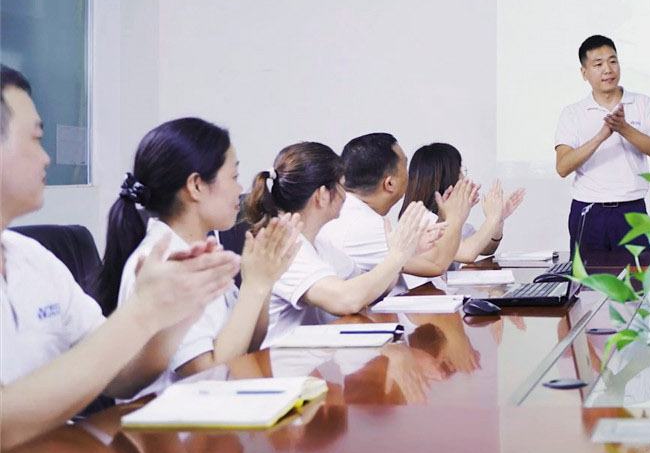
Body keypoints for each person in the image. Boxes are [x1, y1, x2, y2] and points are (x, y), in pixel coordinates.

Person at [0, 65, 239, 449]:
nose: (46, 158)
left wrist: (172, 317)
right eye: (35, 138)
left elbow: (119, 377)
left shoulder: (33, 259)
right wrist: (141, 312)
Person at [98, 118, 302, 397]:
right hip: (178, 418)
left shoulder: (201, 249)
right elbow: (210, 373)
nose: (239, 190)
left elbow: (247, 346)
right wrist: (254, 286)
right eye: (233, 177)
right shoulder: (167, 260)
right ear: (196, 186)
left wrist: (264, 279)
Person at [247, 142, 440, 345]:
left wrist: (401, 255)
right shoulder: (283, 245)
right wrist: (396, 257)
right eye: (341, 186)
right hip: (282, 363)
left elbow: (366, 287)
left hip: (315, 358)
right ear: (322, 196)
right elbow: (347, 299)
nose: (346, 196)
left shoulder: (318, 243)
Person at [554, 35, 650, 253]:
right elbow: (562, 167)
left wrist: (624, 128)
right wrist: (600, 137)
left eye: (613, 61)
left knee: (637, 275)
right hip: (588, 210)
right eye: (598, 64)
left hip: (632, 209)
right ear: (584, 73)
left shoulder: (642, 103)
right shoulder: (573, 113)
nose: (608, 69)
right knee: (585, 276)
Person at [401, 143, 524, 266]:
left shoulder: (449, 217)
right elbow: (467, 253)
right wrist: (493, 217)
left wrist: (499, 220)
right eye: (459, 170)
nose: (464, 177)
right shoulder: (420, 219)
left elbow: (486, 248)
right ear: (446, 178)